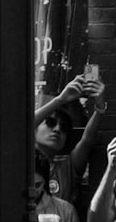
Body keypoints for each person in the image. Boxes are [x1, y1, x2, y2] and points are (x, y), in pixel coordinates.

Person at [34, 71, 101, 213]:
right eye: (51, 122)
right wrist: (61, 99)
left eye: (64, 127)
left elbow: (87, 140)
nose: (57, 129)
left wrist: (100, 107)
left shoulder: (67, 168)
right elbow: (21, 128)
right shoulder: (21, 162)